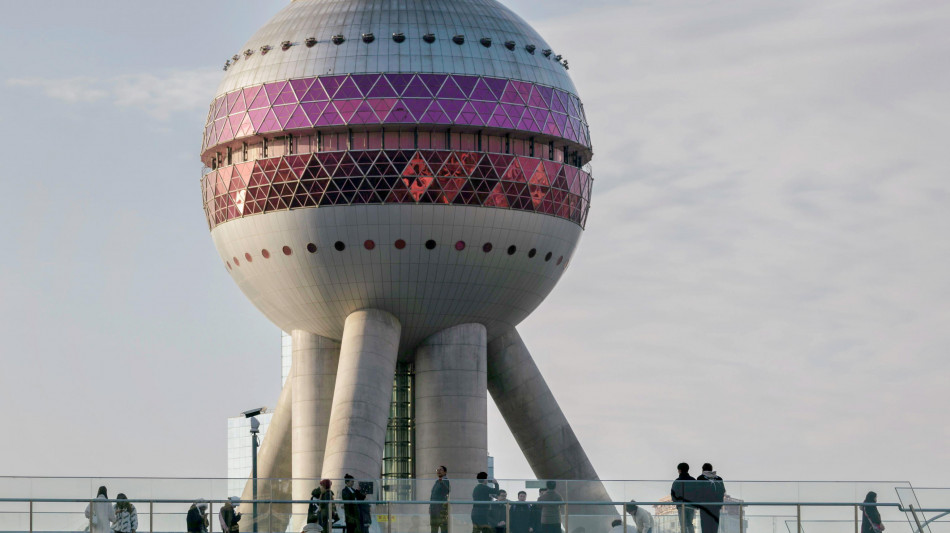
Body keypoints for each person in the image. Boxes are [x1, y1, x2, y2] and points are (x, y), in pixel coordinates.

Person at [696, 464, 725, 533]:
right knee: (714, 527)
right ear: (711, 469)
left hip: (704, 506)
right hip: (716, 506)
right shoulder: (719, 478)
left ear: (703, 470)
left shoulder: (700, 478)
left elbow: (697, 492)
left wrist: (698, 503)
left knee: (705, 526)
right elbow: (722, 491)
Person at [670, 463, 696, 533]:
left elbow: (673, 495)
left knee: (683, 525)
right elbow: (697, 493)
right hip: (691, 506)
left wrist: (677, 502)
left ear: (679, 470)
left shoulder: (677, 481)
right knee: (690, 524)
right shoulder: (693, 480)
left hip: (681, 506)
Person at [429, 466, 451, 533]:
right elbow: (433, 496)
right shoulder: (437, 481)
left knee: (443, 527)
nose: (438, 471)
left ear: (445, 472)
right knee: (433, 527)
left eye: (440, 470)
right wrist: (430, 507)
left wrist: (442, 482)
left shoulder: (445, 481)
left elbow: (447, 490)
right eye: (437, 470)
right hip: (434, 508)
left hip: (441, 509)